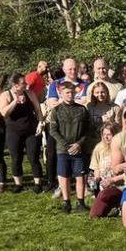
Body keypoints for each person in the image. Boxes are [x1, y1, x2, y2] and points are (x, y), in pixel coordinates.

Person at [48, 81, 91, 213]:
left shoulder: (82, 109)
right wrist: (66, 146)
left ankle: (81, 202)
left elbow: (88, 130)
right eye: (67, 92)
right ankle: (66, 202)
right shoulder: (56, 111)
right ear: (61, 93)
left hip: (78, 149)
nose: (70, 95)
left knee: (80, 176)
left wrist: (79, 144)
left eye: (72, 92)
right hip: (63, 150)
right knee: (64, 176)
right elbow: (53, 130)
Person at [0, 73, 45, 193]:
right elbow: (4, 113)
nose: (26, 84)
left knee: (33, 157)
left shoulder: (29, 93)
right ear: (15, 85)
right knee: (16, 158)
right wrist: (15, 101)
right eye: (23, 83)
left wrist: (41, 122)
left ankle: (38, 183)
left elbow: (37, 109)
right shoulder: (5, 95)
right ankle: (18, 184)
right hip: (14, 132)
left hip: (31, 130)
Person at [89, 123, 124, 218]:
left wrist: (113, 180)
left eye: (109, 134)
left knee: (106, 195)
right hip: (103, 185)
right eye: (104, 135)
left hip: (119, 185)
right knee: (94, 215)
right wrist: (96, 178)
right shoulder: (99, 148)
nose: (106, 137)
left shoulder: (122, 147)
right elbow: (95, 166)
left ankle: (121, 205)